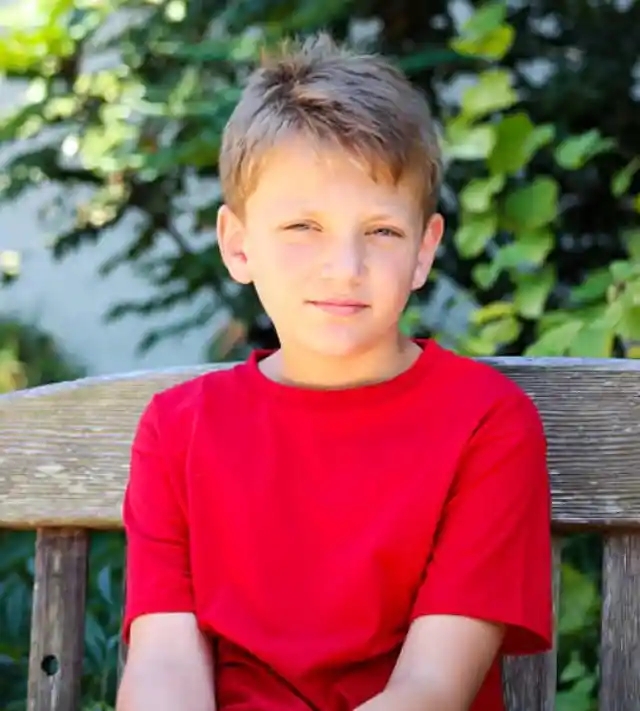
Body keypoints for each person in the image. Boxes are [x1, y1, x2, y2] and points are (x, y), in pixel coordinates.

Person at [115, 33, 552, 711]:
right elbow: (164, 668)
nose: (344, 266)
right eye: (302, 227)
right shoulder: (178, 431)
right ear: (238, 244)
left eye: (380, 231)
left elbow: (431, 688)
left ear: (423, 250)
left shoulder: (485, 421)